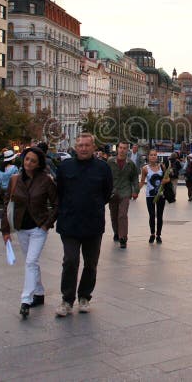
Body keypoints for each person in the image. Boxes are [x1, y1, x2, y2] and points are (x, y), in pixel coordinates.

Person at [54, 133, 113, 317]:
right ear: (75, 146)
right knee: (70, 260)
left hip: (93, 223)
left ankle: (85, 296)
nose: (84, 148)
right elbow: (59, 192)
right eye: (80, 145)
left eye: (87, 145)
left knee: (91, 263)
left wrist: (93, 206)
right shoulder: (65, 167)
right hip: (70, 223)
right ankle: (67, 299)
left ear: (93, 147)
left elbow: (107, 192)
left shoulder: (103, 168)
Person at [0, 147, 57, 319]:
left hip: (39, 227)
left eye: (33, 160)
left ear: (39, 163)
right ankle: (39, 292)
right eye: (26, 159)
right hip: (21, 228)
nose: (28, 163)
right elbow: (6, 205)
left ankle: (26, 300)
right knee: (31, 262)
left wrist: (47, 224)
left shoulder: (46, 180)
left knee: (31, 262)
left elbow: (57, 204)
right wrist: (5, 230)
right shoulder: (15, 180)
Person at [107, 141, 139, 248]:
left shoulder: (130, 164)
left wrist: (135, 190)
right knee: (114, 215)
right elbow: (105, 177)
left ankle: (123, 238)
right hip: (113, 192)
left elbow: (135, 178)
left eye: (124, 148)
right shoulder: (110, 162)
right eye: (120, 148)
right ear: (117, 149)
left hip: (125, 192)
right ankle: (116, 232)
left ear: (127, 150)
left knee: (122, 215)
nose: (122, 150)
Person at [139, 149, 168, 245]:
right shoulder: (145, 168)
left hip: (161, 195)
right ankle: (152, 233)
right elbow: (142, 181)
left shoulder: (162, 167)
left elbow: (167, 178)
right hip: (150, 195)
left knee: (159, 215)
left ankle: (158, 235)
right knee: (151, 215)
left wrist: (165, 181)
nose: (153, 156)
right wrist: (136, 190)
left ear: (157, 156)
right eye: (151, 155)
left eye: (155, 155)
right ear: (148, 156)